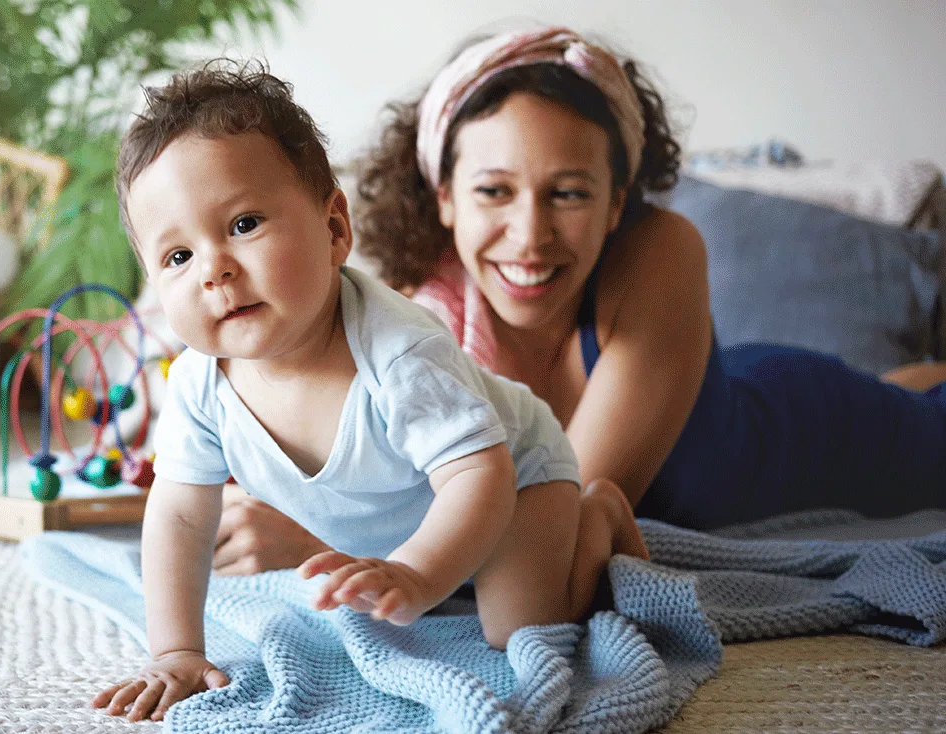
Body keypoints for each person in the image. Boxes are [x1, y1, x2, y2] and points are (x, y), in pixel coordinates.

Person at [212, 24, 946, 574]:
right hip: (719, 379)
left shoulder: (664, 251)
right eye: (493, 191)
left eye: (567, 193)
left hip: (800, 425)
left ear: (615, 199)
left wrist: (325, 545)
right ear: (444, 198)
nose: (529, 237)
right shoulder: (412, 327)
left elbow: (554, 525)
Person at [91, 62, 649, 723]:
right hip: (410, 513)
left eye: (244, 224)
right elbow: (181, 515)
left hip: (515, 476)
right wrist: (177, 649)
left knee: (518, 626)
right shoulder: (197, 382)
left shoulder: (398, 351)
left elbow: (480, 476)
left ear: (334, 230)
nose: (214, 269)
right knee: (438, 588)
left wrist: (417, 574)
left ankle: (594, 514)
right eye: (177, 257)